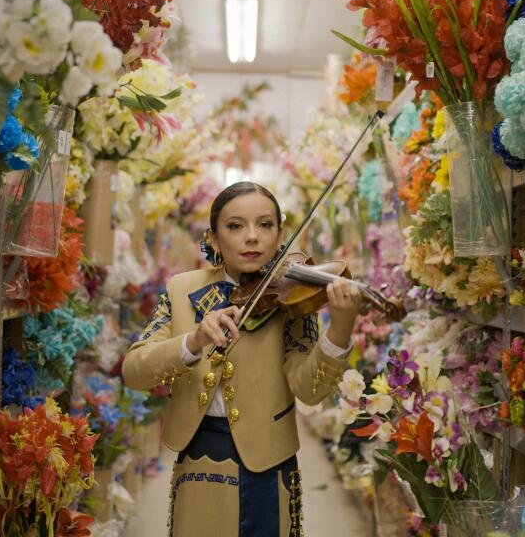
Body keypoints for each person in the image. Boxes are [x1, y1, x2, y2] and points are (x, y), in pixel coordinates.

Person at [123, 181, 365, 536]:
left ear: (280, 235)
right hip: (199, 452)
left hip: (268, 459)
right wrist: (193, 339)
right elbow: (134, 371)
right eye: (235, 226)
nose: (252, 237)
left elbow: (310, 390)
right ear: (215, 238)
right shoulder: (181, 289)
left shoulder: (293, 295)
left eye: (265, 225)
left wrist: (340, 330)